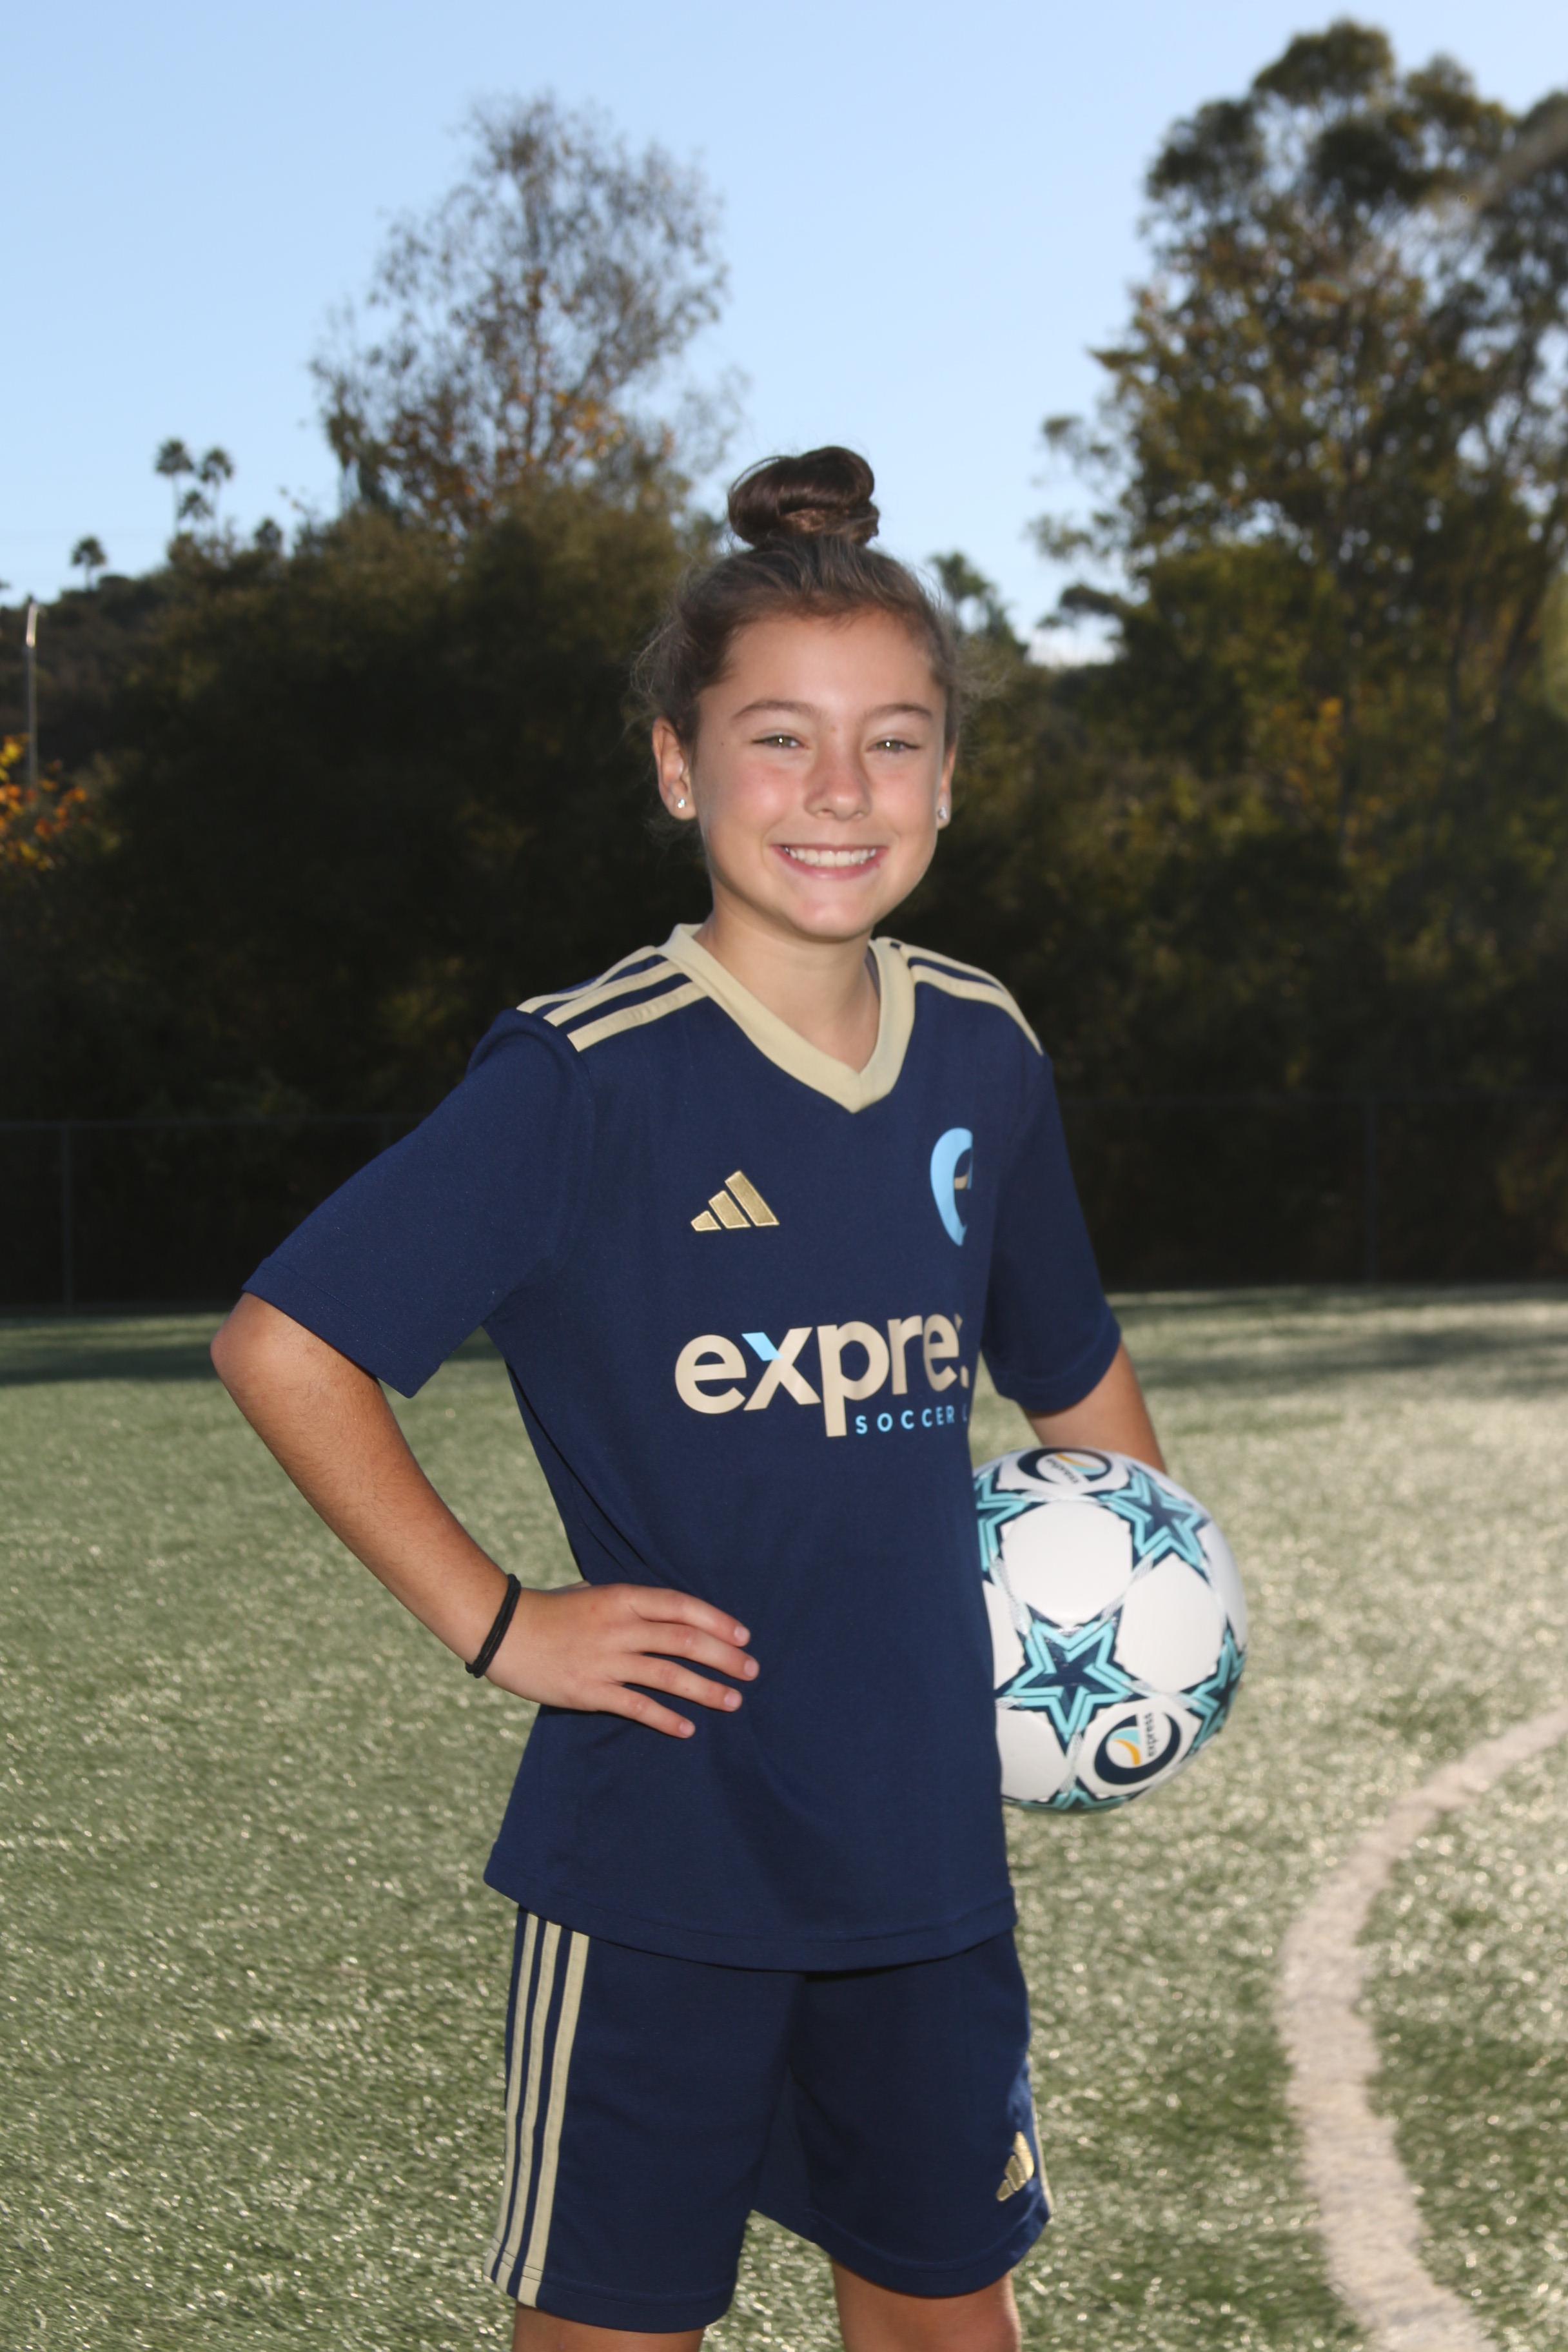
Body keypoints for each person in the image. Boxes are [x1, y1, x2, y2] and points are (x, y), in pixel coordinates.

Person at [211, 446, 1165, 2352]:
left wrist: (1156, 1602)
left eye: (893, 744)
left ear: (949, 778)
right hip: (665, 1861)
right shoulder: (587, 1077)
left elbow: (1068, 1367)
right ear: (678, 765)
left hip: (924, 1864)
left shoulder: (984, 1052)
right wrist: (505, 1624)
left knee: (948, 2319)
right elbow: (284, 1344)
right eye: (778, 741)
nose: (840, 792)